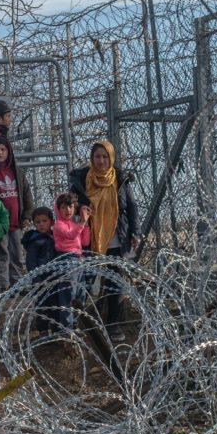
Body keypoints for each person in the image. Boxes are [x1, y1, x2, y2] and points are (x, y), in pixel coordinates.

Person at [69, 140, 139, 341]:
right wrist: (80, 209)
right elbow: (71, 206)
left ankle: (113, 325)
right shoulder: (81, 179)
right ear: (92, 159)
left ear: (111, 158)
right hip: (89, 240)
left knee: (114, 284)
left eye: (105, 156)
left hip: (116, 240)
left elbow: (132, 208)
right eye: (97, 156)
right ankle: (81, 324)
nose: (101, 161)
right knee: (87, 283)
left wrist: (136, 233)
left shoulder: (120, 180)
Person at [0, 135, 33, 285]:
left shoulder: (17, 172)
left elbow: (27, 195)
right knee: (2, 256)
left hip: (16, 223)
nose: (0, 153)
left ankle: (17, 285)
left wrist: (27, 216)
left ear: (9, 151)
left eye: (3, 149)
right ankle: (3, 286)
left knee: (17, 255)